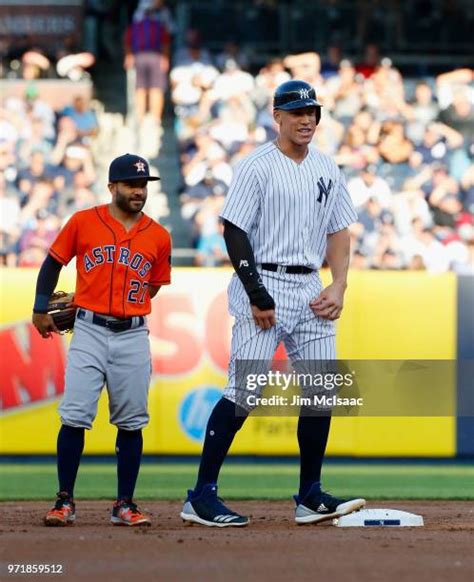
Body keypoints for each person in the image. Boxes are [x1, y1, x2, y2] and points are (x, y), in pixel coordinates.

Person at [180, 80, 366, 527]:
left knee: (322, 392)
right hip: (264, 282)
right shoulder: (257, 166)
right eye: (296, 111)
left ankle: (310, 494)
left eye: (312, 112)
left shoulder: (327, 166)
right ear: (277, 116)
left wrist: (339, 284)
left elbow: (339, 231)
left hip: (312, 288)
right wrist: (257, 293)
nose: (306, 119)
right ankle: (201, 495)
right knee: (245, 391)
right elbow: (234, 229)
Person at [32, 153, 172, 527]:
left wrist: (125, 303)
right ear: (112, 187)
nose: (138, 191)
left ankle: (124, 504)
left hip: (133, 334)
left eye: (143, 185)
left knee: (131, 422)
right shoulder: (83, 221)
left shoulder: (159, 235)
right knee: (75, 415)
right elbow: (52, 263)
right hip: (89, 330)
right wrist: (40, 307)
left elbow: (153, 286)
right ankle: (64, 500)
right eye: (130, 184)